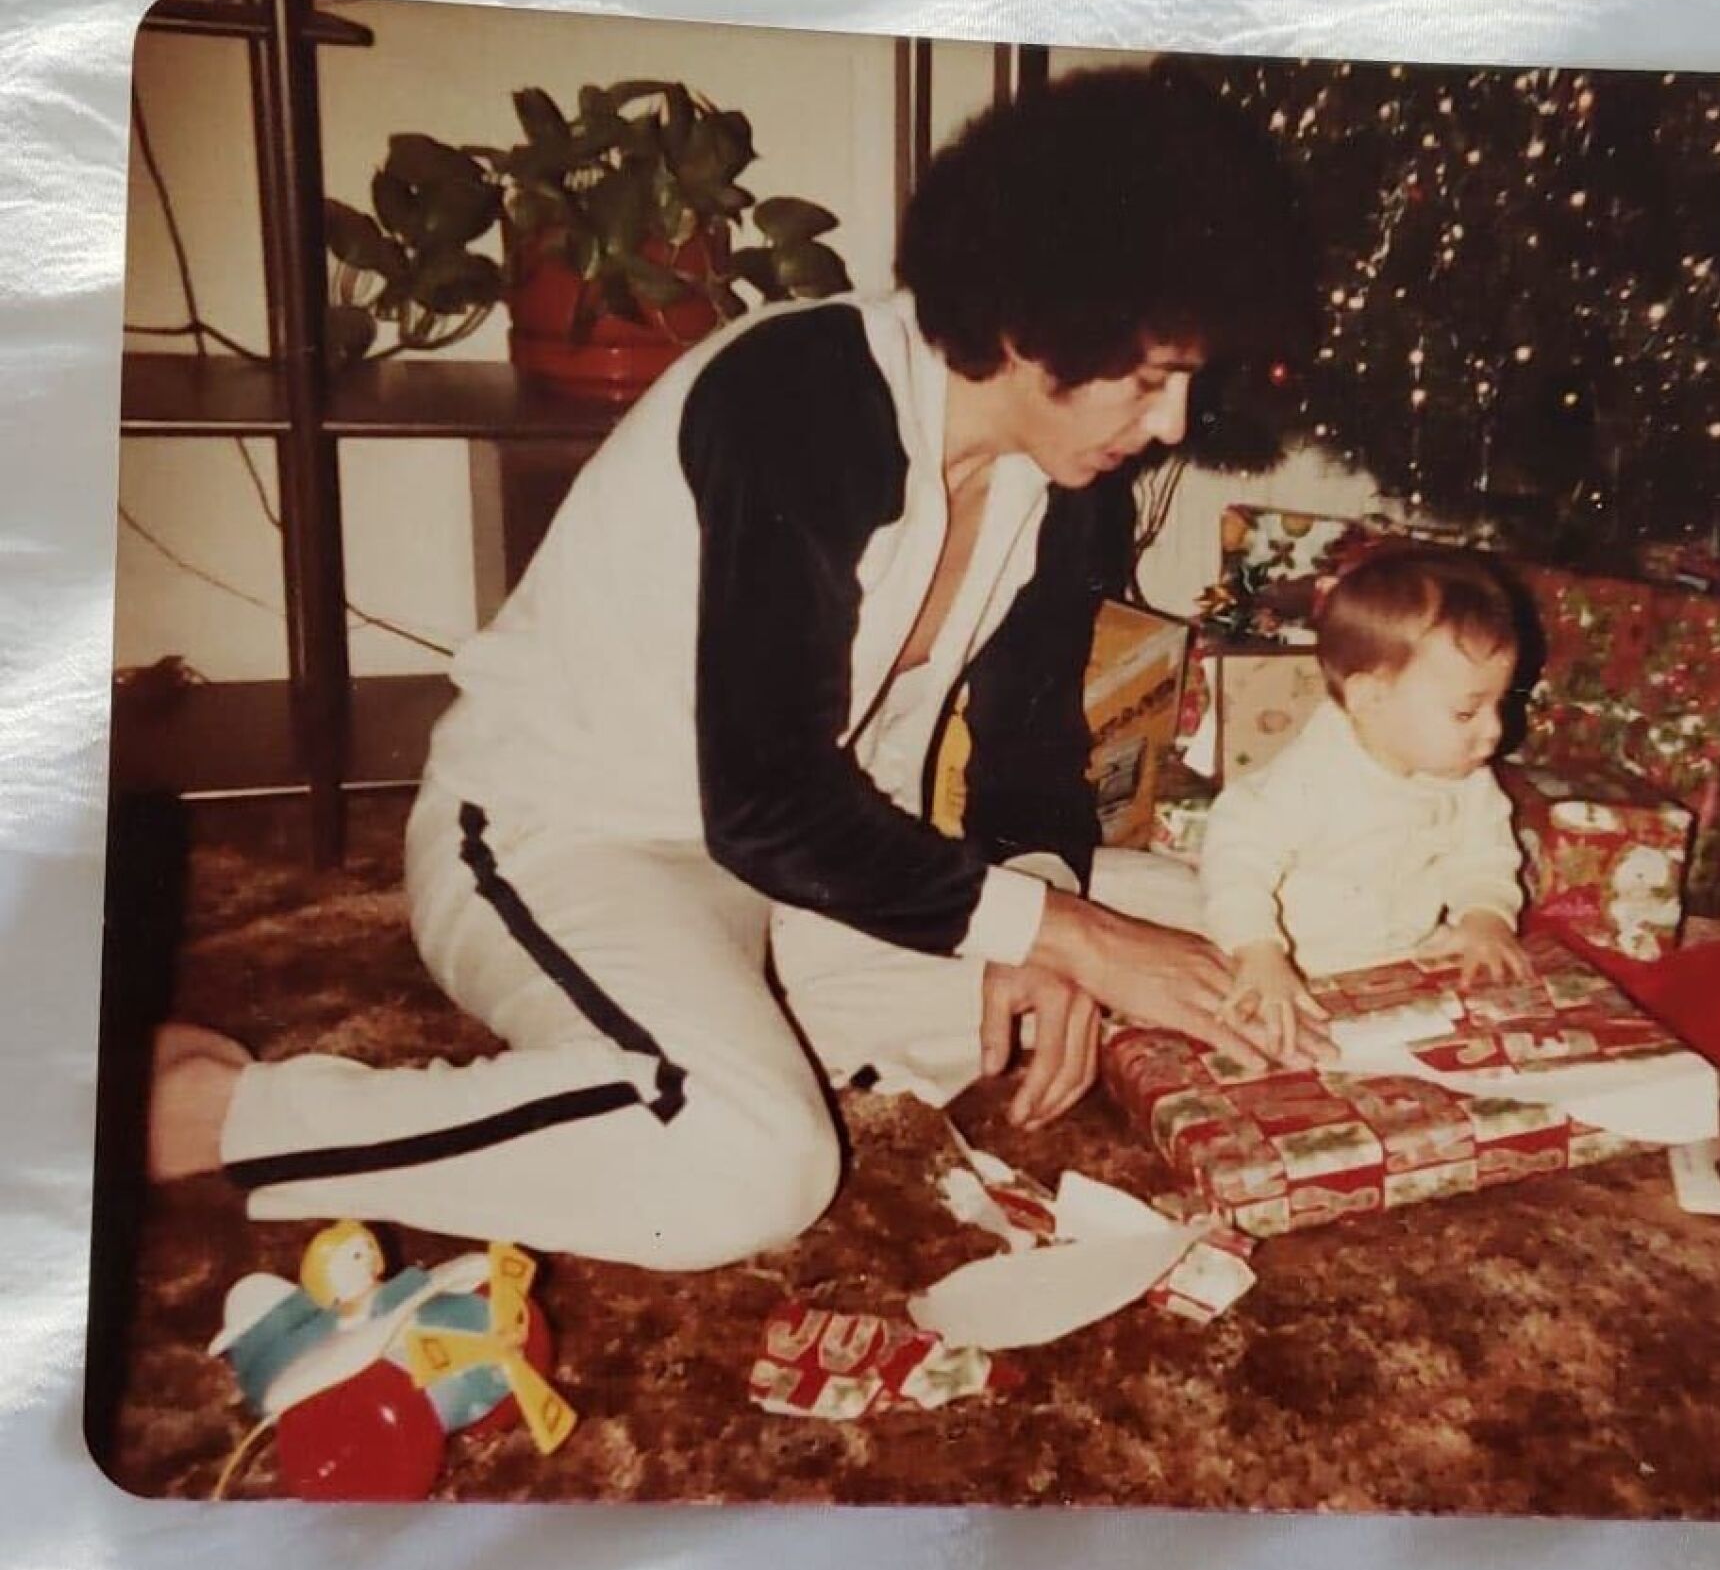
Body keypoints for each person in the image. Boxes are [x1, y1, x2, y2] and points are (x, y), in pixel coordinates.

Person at [147, 65, 1321, 1271]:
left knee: (1247, 925)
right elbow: (766, 802)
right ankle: (237, 1115)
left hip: (796, 881)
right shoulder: (802, 398)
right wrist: (1068, 935)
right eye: (1147, 377)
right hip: (559, 839)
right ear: (1032, 324)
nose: (1173, 424)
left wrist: (1045, 917)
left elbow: (1029, 755)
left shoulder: (1063, 482)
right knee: (754, 1163)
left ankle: (713, 1041)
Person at [1199, 547, 1532, 1062]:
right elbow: (1236, 862)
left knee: (1492, 1032)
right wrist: (1259, 952)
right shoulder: (1310, 780)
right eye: (1467, 713)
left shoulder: (1464, 778)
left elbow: (1485, 852)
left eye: (1500, 704)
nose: (1495, 732)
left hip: (1405, 955)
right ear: (1370, 698)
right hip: (1299, 968)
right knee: (1267, 1055)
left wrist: (1485, 914)